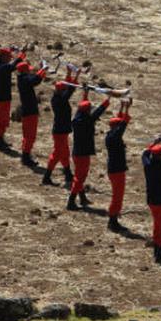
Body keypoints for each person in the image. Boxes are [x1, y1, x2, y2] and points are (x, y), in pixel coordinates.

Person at [68, 92, 110, 210]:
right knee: (80, 178)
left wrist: (85, 94)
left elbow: (83, 108)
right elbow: (98, 112)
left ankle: (82, 198)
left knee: (78, 175)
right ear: (87, 111)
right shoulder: (88, 120)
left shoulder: (77, 118)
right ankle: (71, 202)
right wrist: (108, 100)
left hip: (76, 152)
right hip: (83, 154)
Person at [42, 72, 79, 187]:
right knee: (57, 154)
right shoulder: (59, 100)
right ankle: (46, 177)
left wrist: (70, 75)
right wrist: (76, 77)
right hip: (60, 131)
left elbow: (67, 88)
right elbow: (69, 91)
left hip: (62, 130)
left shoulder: (58, 97)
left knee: (65, 153)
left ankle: (68, 174)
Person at [104, 99, 131, 231]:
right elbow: (123, 125)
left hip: (114, 169)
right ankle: (112, 221)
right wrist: (127, 109)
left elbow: (119, 123)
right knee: (117, 196)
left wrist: (122, 107)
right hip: (117, 170)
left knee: (117, 196)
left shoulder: (111, 134)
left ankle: (113, 218)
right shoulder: (115, 136)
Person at [16, 60, 47, 167]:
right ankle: (26, 158)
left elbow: (35, 79)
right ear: (24, 71)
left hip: (27, 111)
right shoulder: (25, 80)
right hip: (30, 112)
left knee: (27, 136)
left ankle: (25, 155)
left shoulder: (22, 79)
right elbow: (35, 80)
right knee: (30, 136)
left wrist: (43, 71)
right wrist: (43, 69)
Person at [0, 47, 24, 151]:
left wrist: (22, 54)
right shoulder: (1, 67)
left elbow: (13, 65)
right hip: (2, 99)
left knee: (4, 120)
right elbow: (12, 66)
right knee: (1, 121)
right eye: (8, 57)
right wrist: (20, 56)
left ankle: (1, 140)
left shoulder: (0, 66)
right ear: (3, 57)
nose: (10, 59)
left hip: (4, 98)